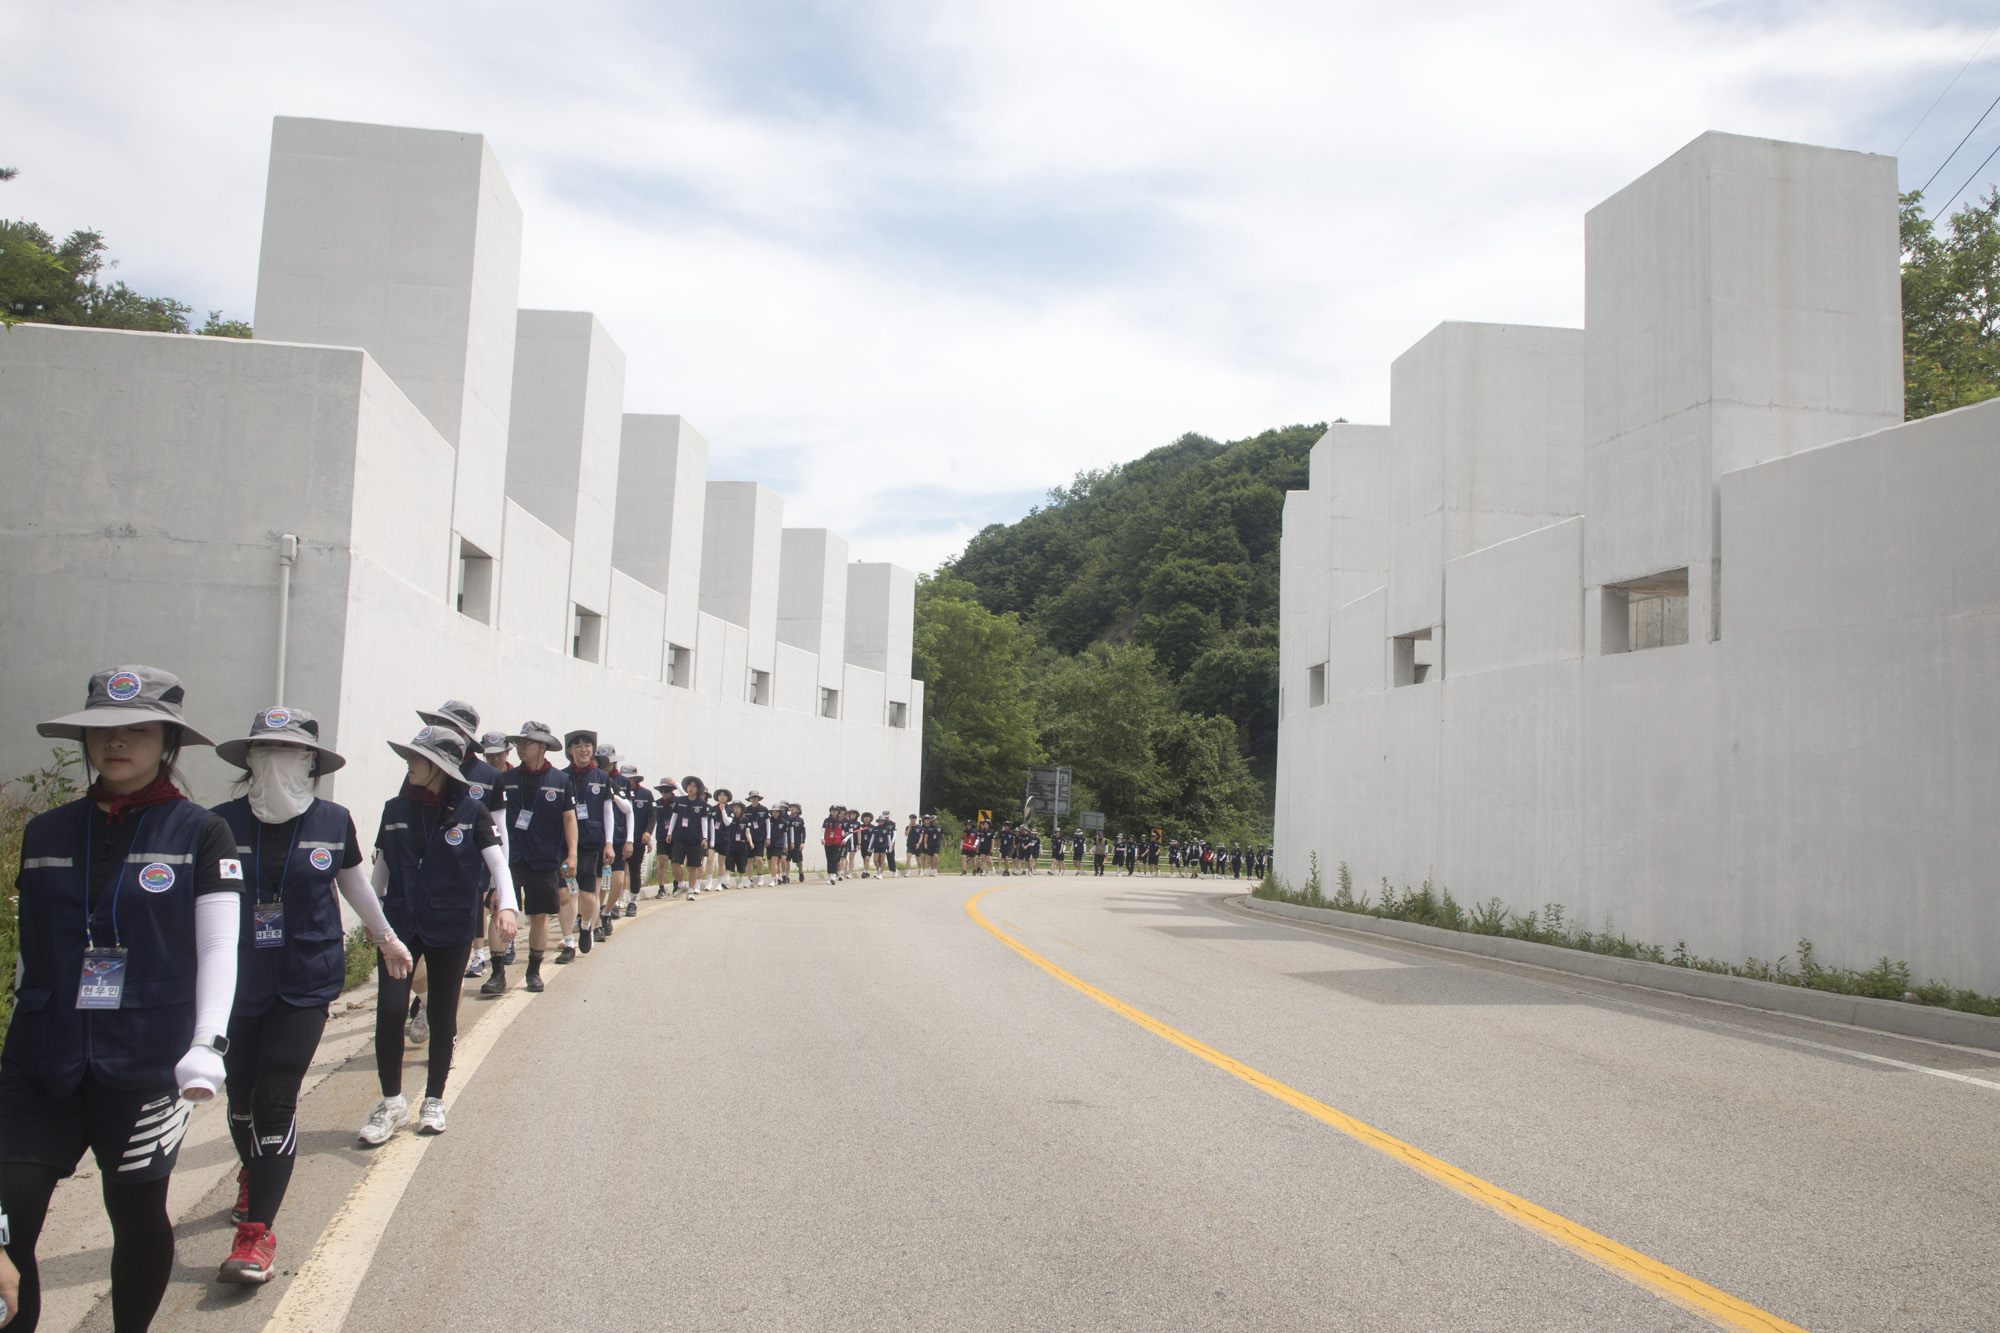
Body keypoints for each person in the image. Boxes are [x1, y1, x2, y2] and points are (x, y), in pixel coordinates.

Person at [3, 667, 240, 1333]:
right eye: (103, 729)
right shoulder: (46, 832)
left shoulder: (201, 833)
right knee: (6, 1223)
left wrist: (206, 1042)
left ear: (166, 740)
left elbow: (221, 947)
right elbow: (32, 946)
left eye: (136, 728)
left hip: (146, 1060)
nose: (117, 742)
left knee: (135, 1216)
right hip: (39, 1059)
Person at [208, 707, 413, 1284]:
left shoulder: (331, 820)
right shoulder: (216, 824)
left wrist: (388, 941)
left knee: (276, 1094)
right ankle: (254, 1169)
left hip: (305, 978)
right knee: (241, 1096)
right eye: (264, 751)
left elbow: (353, 886)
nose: (277, 763)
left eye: (291, 753)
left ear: (312, 764)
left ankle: (256, 1237)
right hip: (236, 981)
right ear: (248, 760)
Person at [359, 726, 517, 1145]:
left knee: (443, 1014)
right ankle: (392, 1101)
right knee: (391, 1010)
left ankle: (433, 1098)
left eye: (417, 758)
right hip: (399, 924)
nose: (408, 764)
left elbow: (497, 862)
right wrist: (372, 916)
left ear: (439, 767)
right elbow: (381, 871)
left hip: (450, 924)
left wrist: (506, 906)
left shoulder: (471, 810)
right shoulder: (393, 809)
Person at [493, 722, 577, 990]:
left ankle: (533, 971)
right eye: (518, 743)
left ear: (542, 747)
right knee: (499, 910)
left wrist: (572, 854)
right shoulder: (505, 779)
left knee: (538, 916)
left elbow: (569, 820)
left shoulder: (561, 781)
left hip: (544, 858)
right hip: (510, 858)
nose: (519, 747)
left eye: (525, 743)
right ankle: (496, 974)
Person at [561, 731, 613, 951]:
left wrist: (609, 843)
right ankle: (568, 943)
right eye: (578, 745)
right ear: (569, 750)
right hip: (563, 843)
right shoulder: (562, 776)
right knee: (564, 893)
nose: (584, 749)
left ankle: (585, 927)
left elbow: (608, 811)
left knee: (587, 893)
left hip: (590, 842)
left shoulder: (601, 778)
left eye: (588, 745)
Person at [660, 778, 709, 896]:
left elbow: (704, 822)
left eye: (693, 786)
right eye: (689, 786)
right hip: (679, 837)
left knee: (693, 866)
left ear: (697, 789)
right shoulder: (680, 800)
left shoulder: (702, 804)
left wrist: (705, 838)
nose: (691, 788)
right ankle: (681, 885)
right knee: (675, 863)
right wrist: (669, 833)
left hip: (695, 839)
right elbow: (674, 817)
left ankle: (691, 890)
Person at [620, 764, 652, 915]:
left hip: (638, 840)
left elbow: (652, 816)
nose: (627, 782)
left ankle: (633, 901)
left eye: (629, 779)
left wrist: (648, 832)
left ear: (635, 779)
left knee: (634, 870)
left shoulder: (645, 794)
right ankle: (618, 900)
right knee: (619, 872)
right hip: (620, 839)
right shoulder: (618, 792)